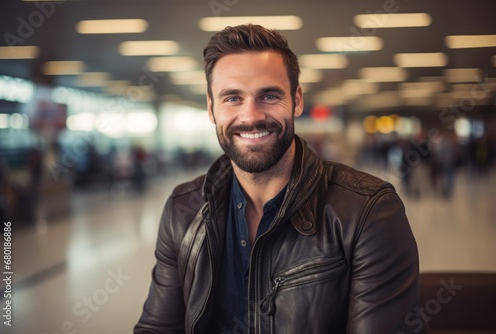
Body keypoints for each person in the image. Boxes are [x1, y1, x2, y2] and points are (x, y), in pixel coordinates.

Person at [134, 24, 426, 333]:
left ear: (297, 101)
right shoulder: (184, 210)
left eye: (269, 96)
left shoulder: (368, 211)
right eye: (232, 98)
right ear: (211, 108)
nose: (251, 116)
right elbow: (157, 328)